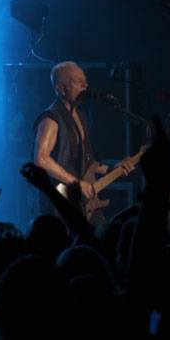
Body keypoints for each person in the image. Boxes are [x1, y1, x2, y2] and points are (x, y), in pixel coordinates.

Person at [32, 61, 134, 225]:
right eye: (78, 82)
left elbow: (87, 162)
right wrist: (78, 184)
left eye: (85, 81)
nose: (85, 86)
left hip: (83, 201)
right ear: (61, 88)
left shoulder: (81, 117)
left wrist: (112, 170)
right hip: (59, 202)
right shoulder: (50, 119)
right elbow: (41, 159)